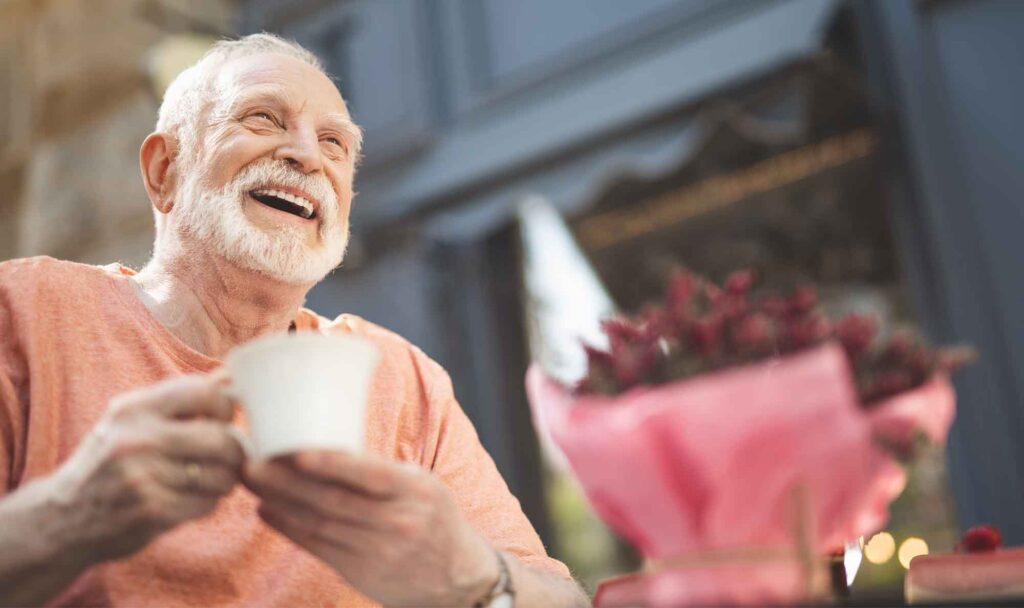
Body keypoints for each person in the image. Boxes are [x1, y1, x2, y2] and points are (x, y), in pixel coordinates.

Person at [0, 34, 588, 607]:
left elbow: (562, 600)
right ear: (164, 170)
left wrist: (472, 577)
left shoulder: (403, 380)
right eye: (262, 119)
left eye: (335, 144)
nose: (307, 155)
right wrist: (67, 515)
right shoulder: (25, 310)